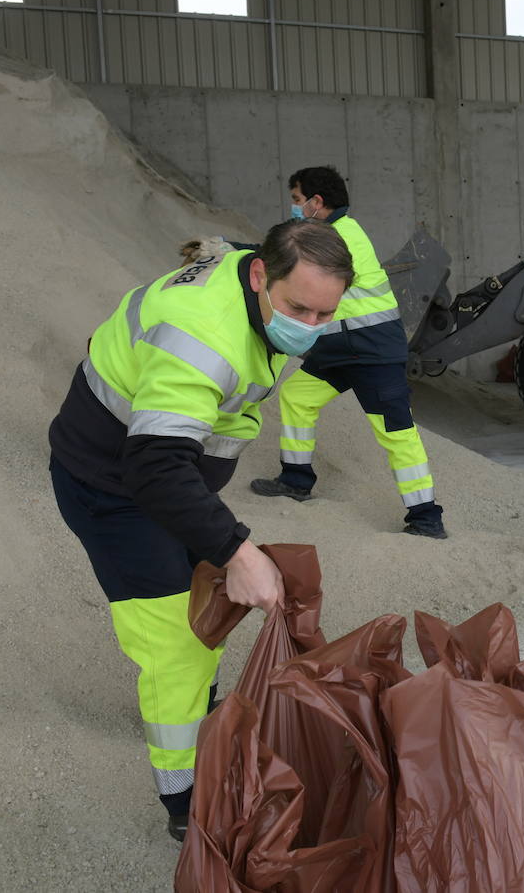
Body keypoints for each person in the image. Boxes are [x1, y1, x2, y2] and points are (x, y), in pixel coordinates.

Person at [48, 219, 352, 841]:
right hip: (113, 485)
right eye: (300, 310)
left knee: (202, 607)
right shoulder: (200, 332)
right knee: (177, 645)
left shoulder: (257, 282)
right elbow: (154, 465)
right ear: (262, 276)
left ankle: (202, 718)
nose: (310, 330)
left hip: (171, 475)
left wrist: (215, 532)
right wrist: (235, 550)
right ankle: (187, 803)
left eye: (327, 315)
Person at [248, 166, 446, 540]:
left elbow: (293, 267)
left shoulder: (341, 238)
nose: (293, 207)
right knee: (297, 396)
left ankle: (425, 518)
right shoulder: (328, 235)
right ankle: (296, 480)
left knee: (396, 433)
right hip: (340, 349)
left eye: (296, 199)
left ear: (316, 202)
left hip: (373, 351)